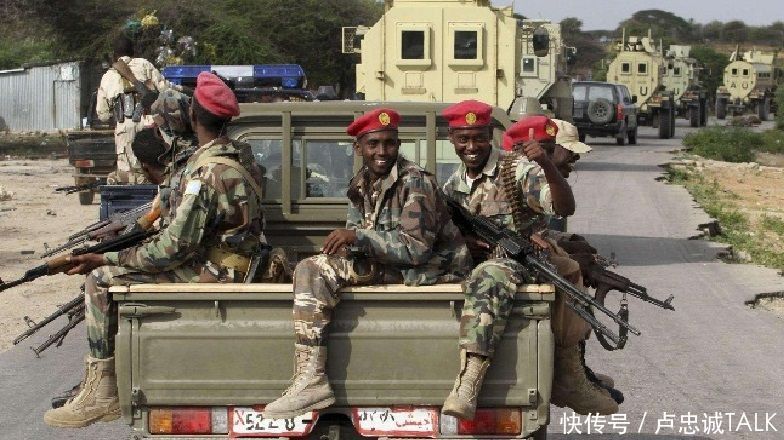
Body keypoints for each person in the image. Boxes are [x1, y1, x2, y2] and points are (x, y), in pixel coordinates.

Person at [44, 72, 266, 428]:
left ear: (193, 115)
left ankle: (103, 392)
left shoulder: (207, 173)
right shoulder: (241, 157)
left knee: (100, 279)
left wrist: (105, 258)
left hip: (216, 273)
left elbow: (171, 249)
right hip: (233, 264)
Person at [262, 108, 471, 420]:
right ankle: (308, 377)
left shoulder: (416, 183)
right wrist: (345, 248)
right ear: (358, 147)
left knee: (313, 270)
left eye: (389, 143)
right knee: (305, 267)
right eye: (373, 144)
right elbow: (359, 238)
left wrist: (357, 238)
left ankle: (312, 380)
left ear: (398, 144)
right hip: (396, 266)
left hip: (430, 271)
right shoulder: (361, 184)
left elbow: (415, 250)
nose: (382, 152)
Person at [441, 101, 620, 417]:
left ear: (490, 135)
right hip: (478, 266)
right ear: (451, 139)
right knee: (485, 270)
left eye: (479, 137)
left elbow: (563, 208)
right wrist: (464, 243)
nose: (471, 146)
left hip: (521, 263)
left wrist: (547, 165)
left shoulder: (517, 169)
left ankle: (473, 384)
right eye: (463, 139)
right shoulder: (452, 187)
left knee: (509, 271)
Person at [96, 35, 182, 184]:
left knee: (130, 177)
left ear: (114, 55)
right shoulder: (144, 65)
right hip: (151, 126)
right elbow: (165, 89)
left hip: (125, 130)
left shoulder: (107, 76)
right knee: (159, 171)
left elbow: (103, 115)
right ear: (133, 52)